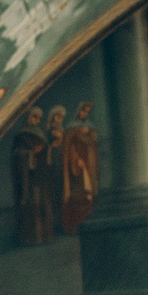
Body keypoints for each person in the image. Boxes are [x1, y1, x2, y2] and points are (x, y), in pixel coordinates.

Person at [10, 107, 54, 246]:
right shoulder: (21, 135)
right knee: (32, 207)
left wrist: (43, 151)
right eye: (33, 117)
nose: (36, 120)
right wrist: (30, 154)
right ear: (28, 117)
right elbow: (16, 154)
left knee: (43, 205)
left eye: (38, 118)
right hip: (28, 178)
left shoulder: (40, 134)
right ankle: (32, 238)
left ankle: (45, 236)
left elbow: (46, 151)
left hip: (41, 176)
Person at [58, 101, 99, 235]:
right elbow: (69, 149)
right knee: (78, 197)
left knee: (88, 196)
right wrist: (76, 160)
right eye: (82, 111)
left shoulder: (89, 128)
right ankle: (75, 227)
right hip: (76, 169)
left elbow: (93, 146)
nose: (84, 114)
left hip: (88, 168)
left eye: (86, 112)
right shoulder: (71, 128)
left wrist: (91, 135)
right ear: (78, 111)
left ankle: (89, 225)